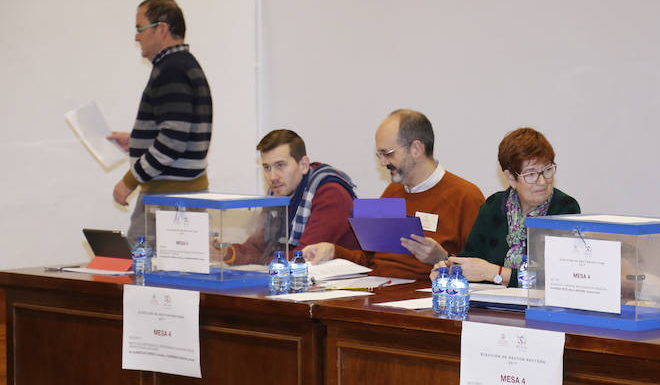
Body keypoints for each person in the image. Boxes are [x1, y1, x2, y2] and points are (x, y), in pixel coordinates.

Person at [303, 109, 485, 280]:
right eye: (379, 155)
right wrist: (333, 251)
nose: (383, 163)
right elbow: (370, 259)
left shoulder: (465, 196)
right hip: (377, 293)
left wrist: (443, 257)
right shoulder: (392, 192)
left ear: (416, 149)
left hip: (423, 304)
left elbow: (480, 272)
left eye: (387, 153)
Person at [108, 0, 212, 244]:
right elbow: (179, 133)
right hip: (177, 197)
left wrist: (129, 181)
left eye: (139, 29)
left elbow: (173, 141)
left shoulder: (172, 70)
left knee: (143, 274)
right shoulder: (182, 65)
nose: (136, 37)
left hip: (169, 201)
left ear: (162, 29)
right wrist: (136, 141)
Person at [435, 127, 580, 286]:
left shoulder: (565, 208)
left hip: (541, 308)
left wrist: (494, 273)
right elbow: (470, 260)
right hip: (492, 305)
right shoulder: (494, 206)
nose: (542, 181)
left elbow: (557, 278)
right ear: (511, 177)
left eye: (547, 170)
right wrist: (447, 269)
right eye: (531, 174)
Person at [218, 129, 359, 265]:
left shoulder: (330, 193)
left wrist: (260, 260)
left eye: (280, 166)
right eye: (267, 167)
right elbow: (257, 246)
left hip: (344, 283)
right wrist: (225, 253)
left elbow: (303, 256)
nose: (272, 177)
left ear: (303, 165)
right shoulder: (277, 192)